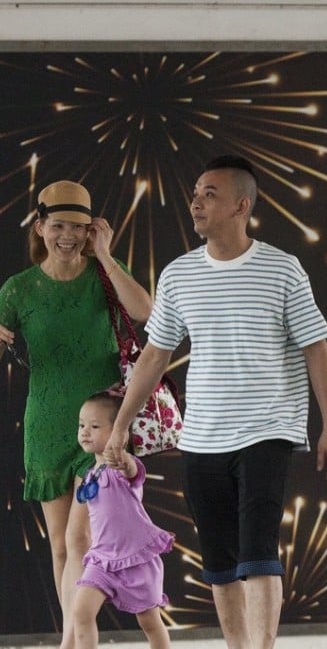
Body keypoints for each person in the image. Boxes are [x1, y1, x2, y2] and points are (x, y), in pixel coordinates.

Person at [105, 155, 327, 649]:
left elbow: (315, 348)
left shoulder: (282, 268)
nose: (196, 201)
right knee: (218, 559)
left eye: (209, 193)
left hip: (267, 427)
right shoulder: (179, 275)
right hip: (203, 435)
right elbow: (154, 356)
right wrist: (121, 424)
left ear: (241, 205)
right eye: (195, 192)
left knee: (257, 549)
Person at [0, 181, 152, 647]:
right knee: (62, 545)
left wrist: (106, 255)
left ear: (91, 230)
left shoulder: (104, 273)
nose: (68, 235)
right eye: (59, 225)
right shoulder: (17, 290)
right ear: (41, 226)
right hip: (46, 425)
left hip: (103, 426)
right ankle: (77, 635)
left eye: (79, 228)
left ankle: (72, 640)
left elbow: (145, 310)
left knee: (83, 539)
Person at [73, 389, 173, 649]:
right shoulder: (90, 474)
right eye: (81, 425)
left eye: (94, 426)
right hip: (102, 559)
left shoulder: (121, 467)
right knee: (81, 611)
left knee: (150, 622)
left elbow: (131, 470)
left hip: (136, 559)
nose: (85, 431)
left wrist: (123, 459)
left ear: (120, 431)